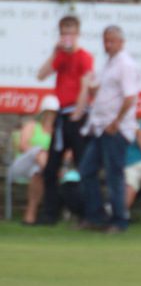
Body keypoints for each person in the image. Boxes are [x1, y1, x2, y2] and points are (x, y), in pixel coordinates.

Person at [78, 26, 140, 232]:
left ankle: (119, 220)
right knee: (87, 170)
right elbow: (105, 93)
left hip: (115, 128)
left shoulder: (125, 64)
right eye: (105, 41)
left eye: (112, 41)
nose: (108, 45)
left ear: (121, 42)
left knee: (114, 175)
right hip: (100, 126)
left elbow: (130, 96)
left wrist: (116, 122)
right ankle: (96, 216)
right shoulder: (108, 64)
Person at [35, 15, 93, 224]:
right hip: (62, 117)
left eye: (70, 32)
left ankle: (87, 214)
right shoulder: (60, 57)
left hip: (76, 117)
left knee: (83, 166)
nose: (66, 36)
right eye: (63, 32)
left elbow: (86, 85)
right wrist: (54, 52)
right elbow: (41, 75)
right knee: (51, 168)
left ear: (77, 33)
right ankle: (50, 214)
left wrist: (78, 112)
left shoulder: (84, 56)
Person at [8, 95, 59, 224]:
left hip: (39, 167)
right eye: (48, 112)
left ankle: (30, 214)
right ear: (42, 112)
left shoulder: (57, 132)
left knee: (37, 173)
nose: (50, 116)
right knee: (38, 151)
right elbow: (23, 145)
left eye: (53, 113)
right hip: (22, 164)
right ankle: (48, 172)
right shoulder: (32, 125)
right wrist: (41, 154)